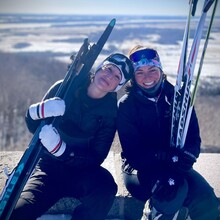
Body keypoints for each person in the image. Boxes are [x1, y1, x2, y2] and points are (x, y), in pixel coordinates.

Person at [10, 53, 134, 220]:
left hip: (82, 172)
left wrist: (62, 150)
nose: (109, 76)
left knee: (105, 188)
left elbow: (96, 157)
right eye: (109, 68)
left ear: (117, 86)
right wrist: (35, 112)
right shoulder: (64, 88)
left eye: (117, 76)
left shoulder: (110, 114)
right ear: (99, 68)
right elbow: (34, 127)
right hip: (48, 168)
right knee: (18, 213)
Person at [117, 45, 219, 220]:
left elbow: (193, 139)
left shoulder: (178, 98)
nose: (147, 77)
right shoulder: (127, 105)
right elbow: (134, 153)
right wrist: (165, 157)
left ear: (161, 70)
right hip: (139, 168)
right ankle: (153, 214)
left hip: (175, 162)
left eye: (152, 69)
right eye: (139, 72)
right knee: (171, 195)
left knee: (205, 198)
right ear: (133, 77)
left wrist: (183, 164)